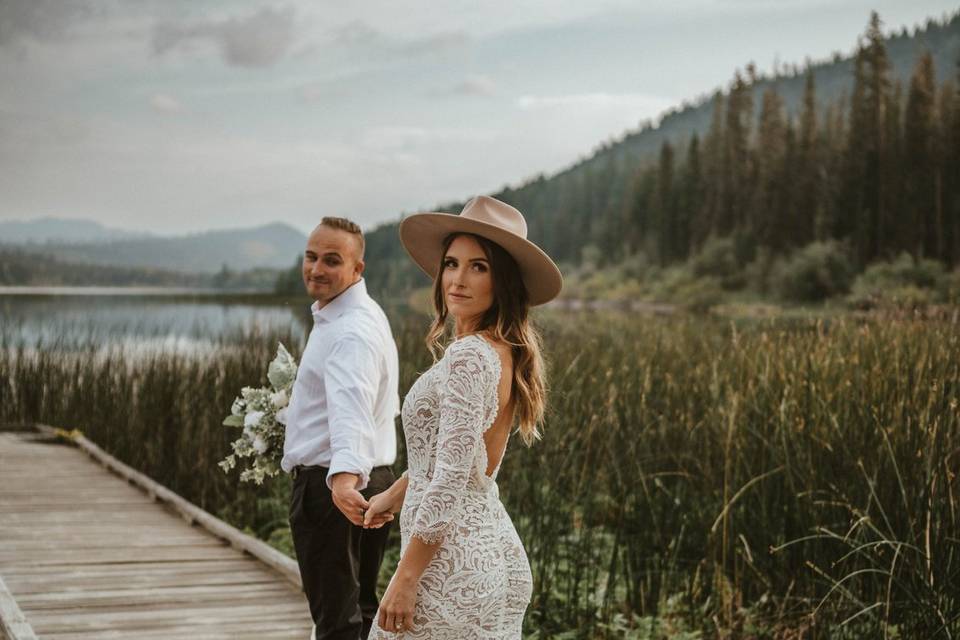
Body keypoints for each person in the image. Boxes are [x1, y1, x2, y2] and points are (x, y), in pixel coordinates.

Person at [362, 195, 562, 639]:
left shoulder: (470, 356)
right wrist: (395, 494)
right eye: (452, 263)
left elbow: (451, 478)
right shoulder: (502, 349)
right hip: (490, 551)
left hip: (449, 567)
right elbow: (459, 459)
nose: (457, 278)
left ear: (503, 281)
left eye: (479, 267)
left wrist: (406, 578)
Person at [281, 216, 400, 640]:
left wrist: (343, 479)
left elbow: (352, 408)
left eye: (332, 260)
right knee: (359, 611)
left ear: (356, 269)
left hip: (333, 488)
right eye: (311, 257)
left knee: (336, 623)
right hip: (374, 478)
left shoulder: (349, 331)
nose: (316, 269)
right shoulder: (361, 314)